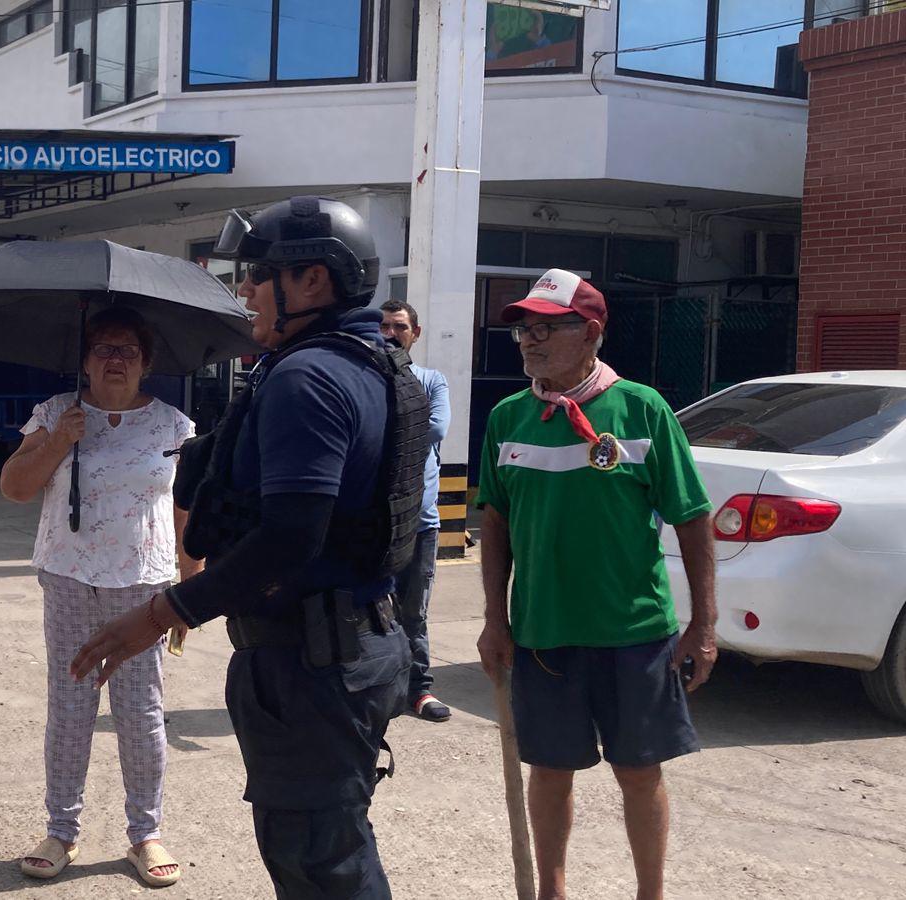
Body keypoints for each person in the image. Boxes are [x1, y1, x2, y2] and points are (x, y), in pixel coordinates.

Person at [70, 198, 431, 899]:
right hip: (351, 647)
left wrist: (167, 609)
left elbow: (292, 536)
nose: (244, 293)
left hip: (313, 663)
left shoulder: (308, 377)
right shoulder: (372, 364)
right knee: (331, 847)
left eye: (257, 276)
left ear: (312, 283)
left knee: (320, 861)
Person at [473, 269, 717, 900]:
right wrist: (495, 621)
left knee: (639, 772)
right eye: (524, 329)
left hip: (633, 633)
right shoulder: (507, 418)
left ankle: (650, 894)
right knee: (550, 771)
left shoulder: (642, 409)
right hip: (543, 634)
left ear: (591, 332)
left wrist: (704, 626)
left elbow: (691, 518)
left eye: (545, 328)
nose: (529, 340)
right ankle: (551, 891)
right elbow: (494, 523)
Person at [0, 306, 197, 888]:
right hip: (68, 579)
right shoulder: (56, 414)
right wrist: (60, 439)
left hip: (144, 587)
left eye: (128, 351)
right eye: (104, 350)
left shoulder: (173, 426)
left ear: (147, 363)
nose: (116, 360)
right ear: (84, 362)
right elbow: (14, 487)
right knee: (71, 707)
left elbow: (185, 508)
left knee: (140, 714)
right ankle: (61, 830)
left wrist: (192, 585)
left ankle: (145, 834)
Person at [379, 299, 452, 722]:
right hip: (377, 523)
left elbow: (438, 428)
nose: (391, 333)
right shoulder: (369, 379)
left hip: (420, 524)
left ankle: (419, 690)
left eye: (400, 327)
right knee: (370, 609)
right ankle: (380, 687)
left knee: (413, 611)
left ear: (415, 334)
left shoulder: (431, 380)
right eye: (384, 326)